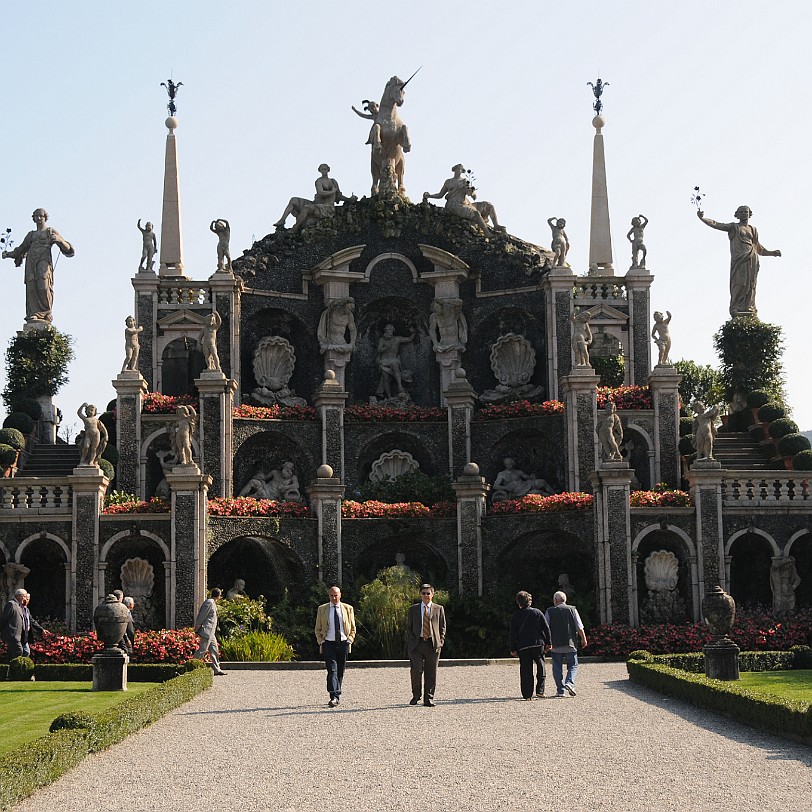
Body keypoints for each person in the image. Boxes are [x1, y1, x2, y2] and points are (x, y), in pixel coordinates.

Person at [697, 205, 781, 318]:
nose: (744, 214)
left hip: (752, 259)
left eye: (746, 212)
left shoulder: (753, 229)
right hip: (739, 260)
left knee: (751, 285)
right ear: (737, 214)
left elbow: (758, 248)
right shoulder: (733, 227)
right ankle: (735, 307)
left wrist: (771, 253)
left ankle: (748, 307)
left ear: (749, 214)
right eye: (741, 212)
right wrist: (703, 218)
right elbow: (716, 224)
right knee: (739, 283)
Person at [1, 207, 74, 324]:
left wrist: (60, 240)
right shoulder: (31, 235)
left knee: (43, 286)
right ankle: (34, 313)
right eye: (36, 216)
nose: (38, 218)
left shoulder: (50, 231)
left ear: (45, 217)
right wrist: (8, 254)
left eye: (41, 216)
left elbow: (69, 250)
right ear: (33, 219)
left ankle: (46, 312)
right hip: (31, 262)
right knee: (31, 287)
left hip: (44, 260)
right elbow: (20, 249)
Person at [314, 585, 357, 707]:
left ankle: (336, 695)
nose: (334, 598)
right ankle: (334, 695)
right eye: (331, 596)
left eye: (336, 595)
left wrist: (350, 640)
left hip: (343, 643)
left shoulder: (348, 609)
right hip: (328, 643)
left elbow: (353, 628)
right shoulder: (322, 609)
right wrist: (321, 641)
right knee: (332, 669)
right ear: (329, 596)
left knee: (340, 671)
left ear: (340, 595)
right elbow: (318, 628)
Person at [423, 164, 494, 233]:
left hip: (465, 203)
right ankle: (486, 232)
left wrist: (471, 191)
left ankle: (496, 225)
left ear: (462, 171)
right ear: (454, 170)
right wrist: (430, 196)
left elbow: (473, 196)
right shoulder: (449, 182)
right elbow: (440, 195)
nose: (458, 171)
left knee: (487, 205)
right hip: (454, 205)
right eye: (457, 169)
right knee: (476, 213)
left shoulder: (465, 182)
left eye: (460, 169)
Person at [406, 583, 446, 707]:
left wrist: (441, 641)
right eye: (423, 593)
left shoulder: (439, 609)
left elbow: (442, 627)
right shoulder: (413, 609)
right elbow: (409, 627)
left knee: (431, 672)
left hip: (432, 644)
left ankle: (429, 698)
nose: (426, 595)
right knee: (416, 671)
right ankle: (416, 695)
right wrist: (410, 641)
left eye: (428, 593)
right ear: (420, 594)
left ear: (432, 594)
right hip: (417, 644)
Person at [509, 591, 552, 700]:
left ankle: (527, 694)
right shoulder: (537, 612)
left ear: (518, 603)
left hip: (523, 646)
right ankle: (540, 690)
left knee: (526, 670)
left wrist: (513, 648)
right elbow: (546, 628)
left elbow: (512, 633)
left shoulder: (516, 616)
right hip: (538, 644)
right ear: (530, 601)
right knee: (541, 666)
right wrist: (549, 642)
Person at [545, 591, 587, 697]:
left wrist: (546, 643)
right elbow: (579, 626)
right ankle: (570, 682)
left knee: (557, 667)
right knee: (573, 665)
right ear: (565, 600)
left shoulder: (550, 611)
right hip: (570, 643)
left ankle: (560, 690)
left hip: (555, 644)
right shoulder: (572, 609)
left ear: (555, 600)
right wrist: (584, 639)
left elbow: (546, 628)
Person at [375, 324, 415, 399]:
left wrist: (413, 332)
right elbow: (379, 350)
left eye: (390, 329)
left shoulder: (397, 339)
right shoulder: (382, 339)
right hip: (383, 361)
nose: (388, 331)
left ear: (393, 330)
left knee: (395, 362)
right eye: (387, 329)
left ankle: (400, 387)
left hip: (393, 359)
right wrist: (386, 347)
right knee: (385, 379)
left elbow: (409, 339)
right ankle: (389, 397)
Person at [194, 588, 225, 676]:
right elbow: (201, 616)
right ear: (218, 596)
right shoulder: (209, 602)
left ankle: (217, 669)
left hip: (211, 632)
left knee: (214, 650)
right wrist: (197, 628)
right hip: (207, 631)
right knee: (202, 651)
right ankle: (190, 667)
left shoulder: (213, 603)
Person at [0, 588, 26, 660]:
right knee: (19, 651)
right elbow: (4, 618)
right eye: (24, 596)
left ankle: (7, 669)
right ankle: (16, 670)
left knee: (11, 654)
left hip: (17, 635)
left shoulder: (18, 605)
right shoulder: (11, 604)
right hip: (12, 634)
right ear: (20, 596)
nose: (25, 598)